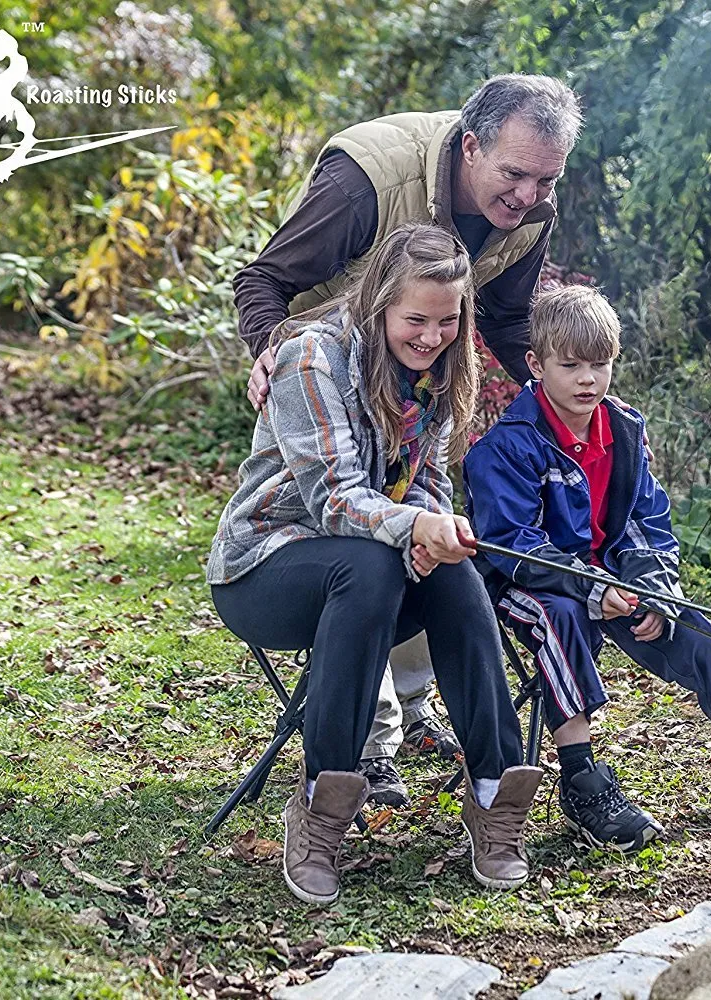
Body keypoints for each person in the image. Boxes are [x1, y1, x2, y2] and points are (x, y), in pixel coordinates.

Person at [232, 74, 583, 803]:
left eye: (545, 180)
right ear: (470, 144)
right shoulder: (365, 183)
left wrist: (558, 407)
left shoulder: (528, 212)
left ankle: (468, 766)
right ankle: (354, 757)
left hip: (407, 392)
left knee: (431, 545)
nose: (529, 196)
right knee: (363, 547)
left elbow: (511, 322)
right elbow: (264, 279)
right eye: (514, 175)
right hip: (321, 379)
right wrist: (273, 351)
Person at [208, 224, 542, 905]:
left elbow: (426, 490)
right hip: (265, 569)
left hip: (372, 575)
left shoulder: (442, 372)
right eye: (415, 319)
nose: (431, 336)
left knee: (450, 569)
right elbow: (333, 503)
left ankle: (493, 792)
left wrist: (434, 533)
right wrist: (415, 527)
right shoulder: (312, 357)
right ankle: (319, 808)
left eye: (448, 321)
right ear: (379, 302)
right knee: (367, 562)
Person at [462, 286, 711, 853]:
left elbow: (648, 523)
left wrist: (651, 591)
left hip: (614, 578)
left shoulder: (623, 429)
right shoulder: (504, 448)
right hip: (522, 584)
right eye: (569, 365)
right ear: (535, 364)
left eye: (600, 364)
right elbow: (512, 545)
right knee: (562, 615)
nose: (587, 379)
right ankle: (581, 778)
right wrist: (596, 590)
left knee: (698, 631)